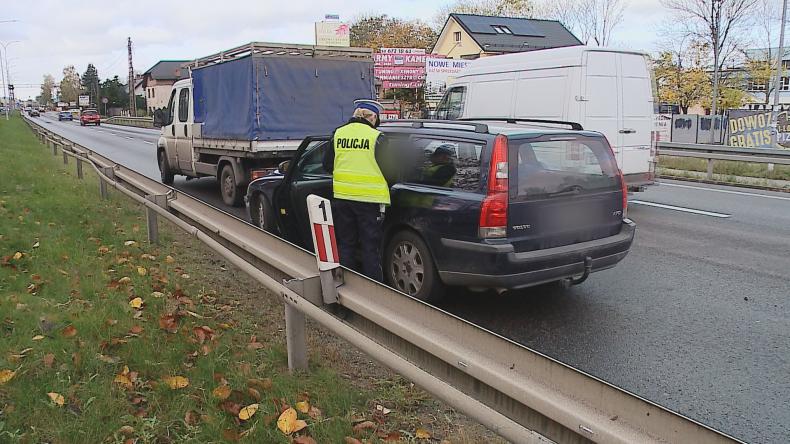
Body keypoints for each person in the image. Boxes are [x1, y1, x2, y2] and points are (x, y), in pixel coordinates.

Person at [322, 99, 389, 282]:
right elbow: (391, 170)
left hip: (342, 198)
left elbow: (327, 164)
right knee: (370, 247)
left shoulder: (338, 134)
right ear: (373, 117)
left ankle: (347, 285)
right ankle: (373, 291)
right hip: (369, 200)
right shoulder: (376, 137)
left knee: (346, 244)